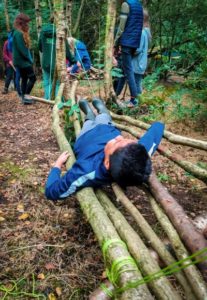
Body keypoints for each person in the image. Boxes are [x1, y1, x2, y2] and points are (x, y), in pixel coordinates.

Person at [45, 98, 164, 201]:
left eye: (117, 142)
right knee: (103, 117)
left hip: (87, 136)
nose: (119, 137)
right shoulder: (140, 155)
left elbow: (51, 191)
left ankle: (89, 113)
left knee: (89, 122)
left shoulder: (86, 171)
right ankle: (101, 109)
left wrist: (57, 165)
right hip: (107, 128)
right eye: (126, 140)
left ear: (107, 163)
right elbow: (158, 127)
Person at [38, 17, 77, 100]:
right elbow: (66, 50)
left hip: (45, 62)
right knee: (57, 83)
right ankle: (56, 101)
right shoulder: (61, 33)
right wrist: (73, 61)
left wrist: (46, 50)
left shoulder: (43, 31)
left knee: (47, 82)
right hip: (57, 63)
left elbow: (40, 47)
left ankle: (48, 100)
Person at [114, 0, 143, 107]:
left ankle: (134, 99)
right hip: (135, 42)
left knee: (128, 71)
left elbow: (121, 27)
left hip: (126, 42)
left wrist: (115, 42)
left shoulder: (126, 4)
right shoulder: (139, 5)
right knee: (125, 69)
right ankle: (117, 95)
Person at [12, 13, 36, 104]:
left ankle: (24, 99)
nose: (28, 24)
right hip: (22, 61)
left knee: (25, 78)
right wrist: (30, 60)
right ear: (21, 22)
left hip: (20, 61)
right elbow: (22, 50)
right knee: (33, 78)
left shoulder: (17, 32)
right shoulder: (18, 33)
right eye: (26, 22)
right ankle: (26, 96)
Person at [132, 9, 151, 98]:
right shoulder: (146, 31)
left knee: (136, 83)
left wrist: (130, 52)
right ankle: (138, 100)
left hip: (138, 63)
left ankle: (137, 101)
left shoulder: (142, 32)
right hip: (141, 63)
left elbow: (138, 49)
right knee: (137, 82)